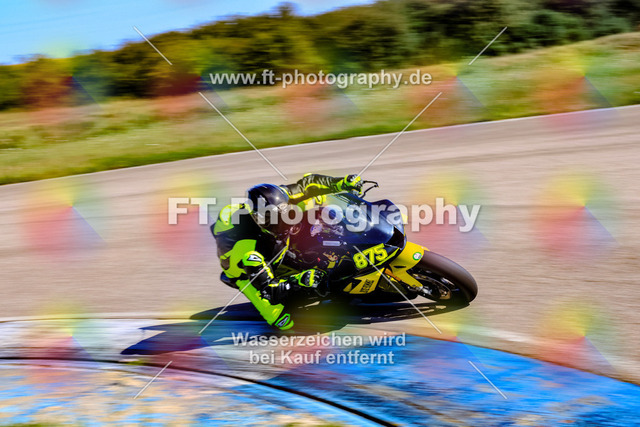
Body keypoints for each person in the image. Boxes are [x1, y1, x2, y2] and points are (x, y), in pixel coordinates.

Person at [211, 173, 362, 330]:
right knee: (282, 321)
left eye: (283, 214)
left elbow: (308, 184)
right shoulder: (249, 250)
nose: (283, 220)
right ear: (259, 219)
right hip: (245, 271)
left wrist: (342, 182)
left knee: (314, 201)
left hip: (264, 236)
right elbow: (270, 290)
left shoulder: (278, 198)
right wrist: (299, 280)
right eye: (275, 218)